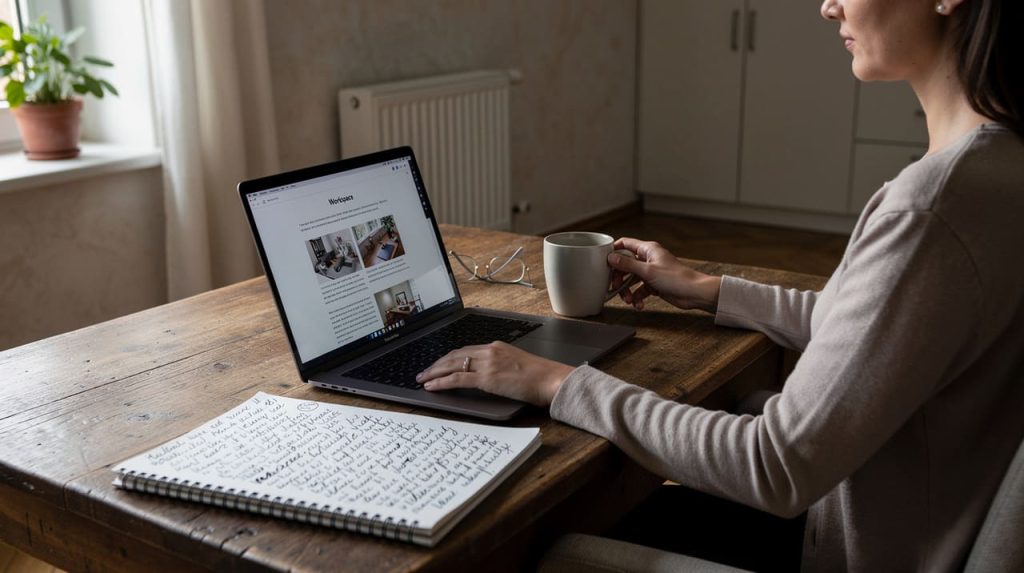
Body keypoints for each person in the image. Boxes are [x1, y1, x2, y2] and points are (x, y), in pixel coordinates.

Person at [418, 0, 1024, 570]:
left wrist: (553, 381)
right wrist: (709, 289)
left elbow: (775, 465)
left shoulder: (929, 210)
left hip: (849, 551)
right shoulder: (999, 167)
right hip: (893, 526)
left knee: (530, 545)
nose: (828, 6)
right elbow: (871, 333)